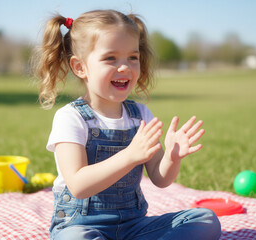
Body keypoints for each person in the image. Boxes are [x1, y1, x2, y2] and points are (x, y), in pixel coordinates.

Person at [34, 9, 221, 240]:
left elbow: (160, 179)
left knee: (205, 220)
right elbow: (78, 185)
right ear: (80, 67)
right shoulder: (71, 117)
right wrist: (130, 155)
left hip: (134, 228)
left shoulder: (140, 114)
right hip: (80, 227)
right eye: (110, 58)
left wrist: (172, 158)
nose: (125, 67)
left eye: (133, 57)